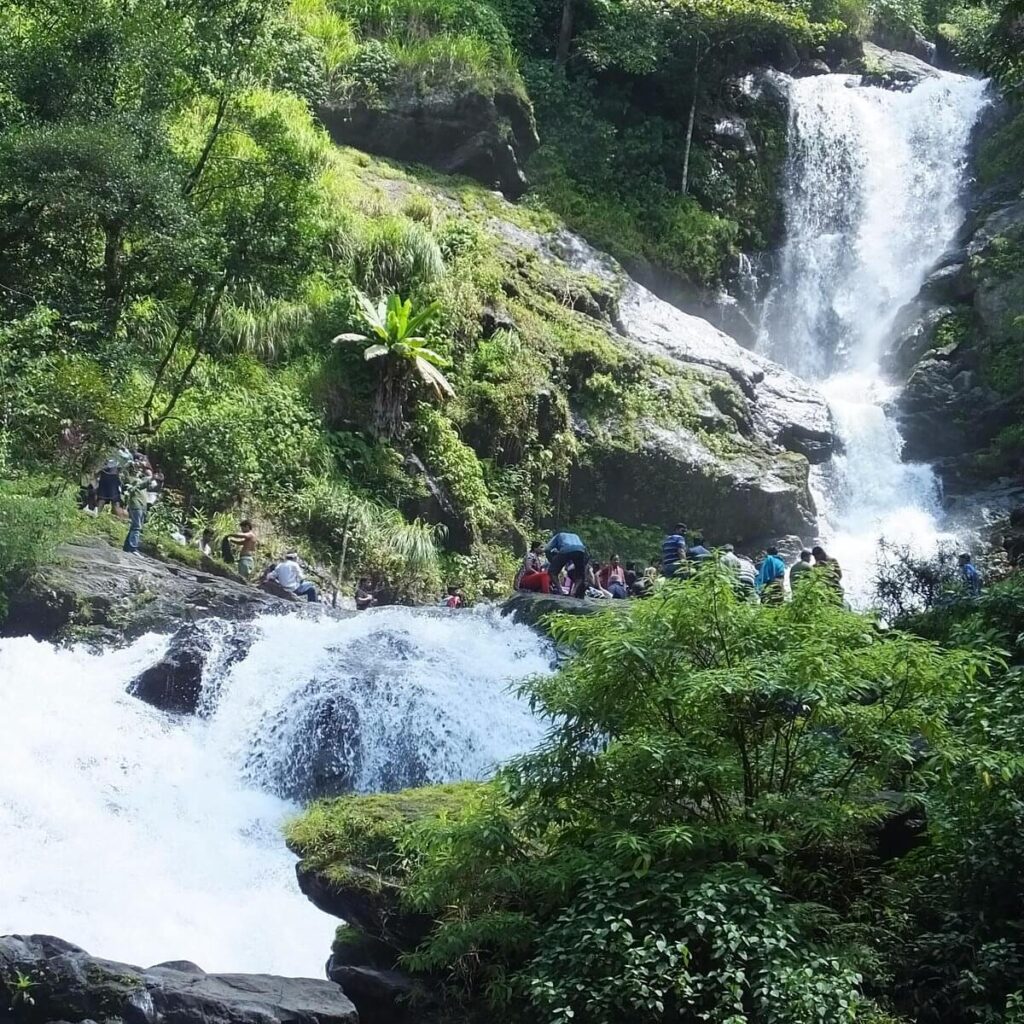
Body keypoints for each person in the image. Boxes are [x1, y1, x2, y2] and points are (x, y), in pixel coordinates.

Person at [545, 531, 589, 598]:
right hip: (581, 550)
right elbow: (584, 553)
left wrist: (551, 561)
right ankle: (573, 591)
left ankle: (560, 591)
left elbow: (547, 549)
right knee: (580, 575)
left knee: (552, 572)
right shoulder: (575, 535)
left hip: (566, 549)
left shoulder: (558, 535)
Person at [121, 473, 149, 554]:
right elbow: (136, 487)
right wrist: (150, 480)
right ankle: (133, 548)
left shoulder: (143, 487)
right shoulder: (136, 482)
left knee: (134, 527)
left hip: (141, 507)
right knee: (137, 527)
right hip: (136, 506)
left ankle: (127, 548)